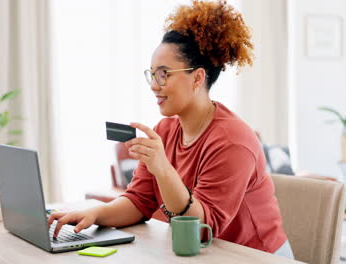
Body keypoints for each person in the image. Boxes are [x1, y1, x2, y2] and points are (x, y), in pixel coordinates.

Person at [48, 0, 294, 259]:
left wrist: (163, 169)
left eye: (164, 74)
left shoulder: (232, 141)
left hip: (254, 256)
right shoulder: (165, 130)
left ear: (197, 78)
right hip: (205, 254)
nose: (154, 85)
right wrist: (94, 213)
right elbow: (139, 201)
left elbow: (201, 229)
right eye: (152, 74)